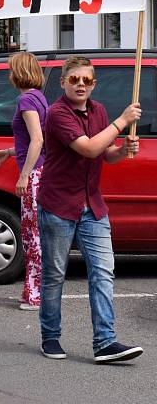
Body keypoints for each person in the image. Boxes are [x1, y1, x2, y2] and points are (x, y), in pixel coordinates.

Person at [37, 56, 143, 363]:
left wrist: (122, 150)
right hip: (58, 204)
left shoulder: (99, 111)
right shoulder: (57, 113)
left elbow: (104, 155)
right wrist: (122, 122)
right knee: (55, 275)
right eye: (74, 79)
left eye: (86, 80)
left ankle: (105, 342)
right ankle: (50, 337)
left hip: (92, 205)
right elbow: (88, 148)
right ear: (63, 82)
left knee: (103, 272)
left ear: (93, 83)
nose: (80, 84)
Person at [0, 52, 47, 311]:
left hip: (34, 175)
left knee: (33, 236)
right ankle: (32, 291)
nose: (8, 74)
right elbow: (33, 140)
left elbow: (37, 139)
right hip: (41, 172)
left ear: (19, 72)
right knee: (33, 234)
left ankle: (36, 294)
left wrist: (25, 174)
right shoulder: (39, 98)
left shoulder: (26, 100)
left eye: (11, 69)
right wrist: (9, 152)